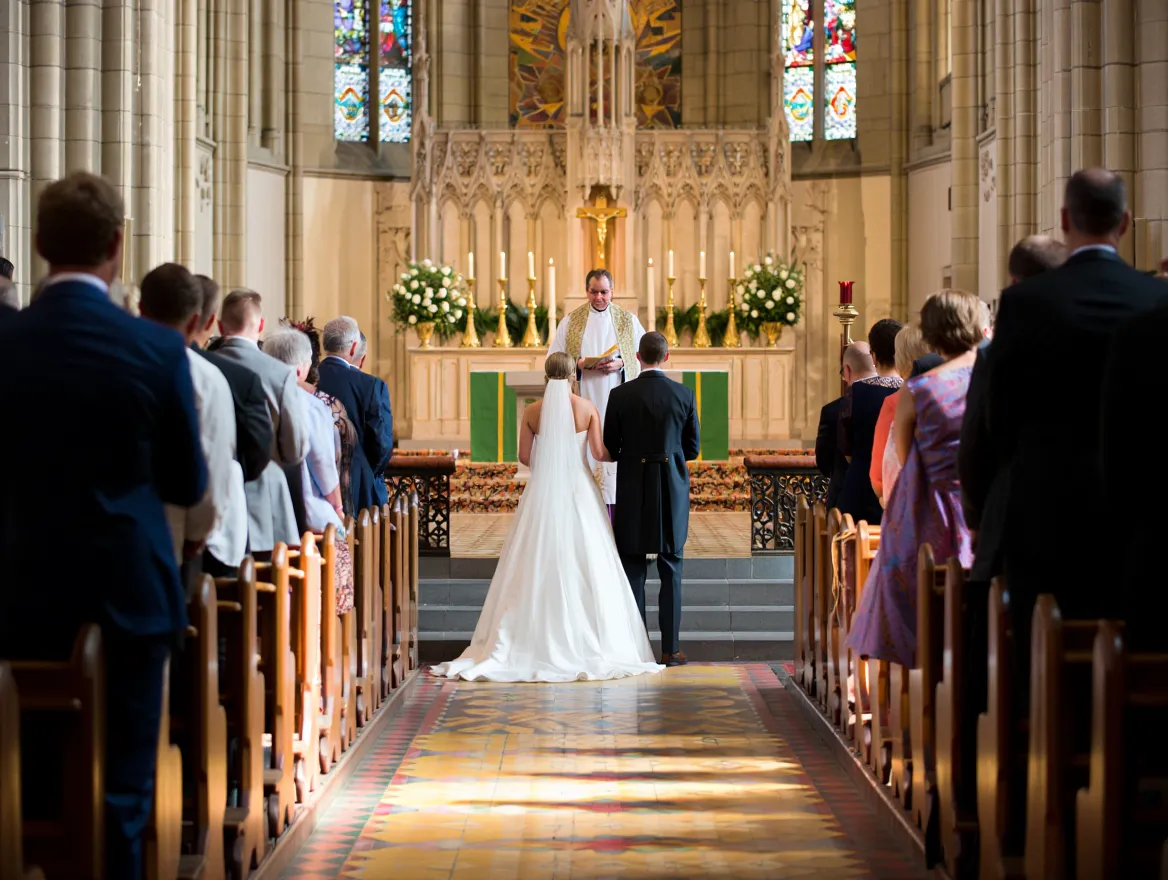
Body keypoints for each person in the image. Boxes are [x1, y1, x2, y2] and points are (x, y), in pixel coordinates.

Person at [0, 171, 206, 878]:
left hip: (19, 590)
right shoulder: (155, 350)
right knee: (122, 792)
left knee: (23, 786)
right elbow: (186, 482)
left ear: (36, 245)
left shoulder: (8, 342)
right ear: (118, 247)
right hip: (128, 591)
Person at [961, 168, 1168, 637]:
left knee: (1040, 668)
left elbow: (997, 418)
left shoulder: (1026, 303)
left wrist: (985, 510)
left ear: (1063, 219)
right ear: (1126, 222)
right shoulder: (1157, 297)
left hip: (1045, 518)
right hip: (1139, 526)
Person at [430, 352, 662, 682]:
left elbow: (524, 457)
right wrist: (623, 453)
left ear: (546, 375)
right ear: (572, 376)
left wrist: (548, 470)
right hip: (579, 490)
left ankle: (527, 637)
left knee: (534, 557)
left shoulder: (531, 412)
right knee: (588, 558)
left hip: (542, 491)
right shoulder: (587, 409)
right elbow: (599, 453)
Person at [846, 290, 981, 669]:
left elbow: (906, 460)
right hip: (980, 506)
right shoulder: (996, 379)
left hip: (930, 511)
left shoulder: (919, 391)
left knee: (919, 602)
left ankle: (916, 688)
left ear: (933, 335)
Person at [604, 332, 702, 667]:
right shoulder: (684, 394)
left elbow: (610, 446)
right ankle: (670, 649)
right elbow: (692, 449)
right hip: (671, 486)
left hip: (632, 485)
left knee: (633, 566)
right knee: (671, 565)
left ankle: (636, 648)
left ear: (637, 357)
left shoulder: (620, 394)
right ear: (667, 356)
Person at [139, 263, 238, 584]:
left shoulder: (114, 360)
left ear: (141, 308)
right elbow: (214, 466)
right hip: (175, 538)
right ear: (197, 321)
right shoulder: (207, 378)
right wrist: (199, 532)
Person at [264, 328, 356, 611]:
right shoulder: (311, 405)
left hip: (264, 517)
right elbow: (324, 466)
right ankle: (330, 629)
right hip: (307, 515)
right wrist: (338, 509)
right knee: (338, 546)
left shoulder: (253, 398)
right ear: (302, 369)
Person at [214, 288, 308, 551]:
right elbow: (294, 449)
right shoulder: (279, 373)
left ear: (220, 325)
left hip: (211, 493)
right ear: (261, 325)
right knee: (264, 581)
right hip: (262, 497)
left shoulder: (203, 365)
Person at [548, 268, 646, 514]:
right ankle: (583, 506)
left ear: (612, 291)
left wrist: (621, 362)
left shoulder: (627, 320)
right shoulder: (571, 321)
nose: (599, 297)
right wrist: (580, 364)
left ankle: (616, 509)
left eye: (604, 292)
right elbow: (554, 359)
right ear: (587, 291)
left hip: (617, 394)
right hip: (585, 395)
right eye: (594, 292)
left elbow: (643, 355)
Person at [284, 317, 358, 517]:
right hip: (313, 507)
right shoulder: (320, 405)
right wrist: (339, 507)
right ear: (303, 366)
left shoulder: (259, 395)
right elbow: (328, 462)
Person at [317, 316, 393, 510]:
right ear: (353, 348)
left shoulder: (308, 379)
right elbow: (381, 444)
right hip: (359, 489)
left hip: (314, 484)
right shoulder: (371, 386)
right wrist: (364, 470)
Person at [836, 342, 900, 525]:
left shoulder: (855, 392)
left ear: (874, 357)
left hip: (860, 489)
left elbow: (845, 447)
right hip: (899, 489)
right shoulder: (912, 392)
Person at [871, 324, 930, 505]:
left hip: (905, 504)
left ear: (901, 358)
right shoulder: (954, 392)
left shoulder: (895, 402)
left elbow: (878, 476)